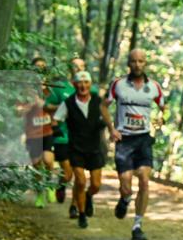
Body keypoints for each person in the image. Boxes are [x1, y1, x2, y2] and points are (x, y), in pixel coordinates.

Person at [107, 49, 165, 240]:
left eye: (141, 61)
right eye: (134, 61)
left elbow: (163, 108)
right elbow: (103, 106)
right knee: (126, 185)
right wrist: (111, 129)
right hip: (124, 139)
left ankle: (137, 225)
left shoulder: (154, 87)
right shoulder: (118, 85)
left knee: (144, 180)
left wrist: (161, 117)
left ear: (145, 64)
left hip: (143, 139)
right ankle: (124, 199)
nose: (137, 65)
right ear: (129, 64)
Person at [51, 71, 117, 229]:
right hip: (76, 148)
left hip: (94, 148)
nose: (83, 86)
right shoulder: (68, 103)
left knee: (95, 185)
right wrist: (56, 131)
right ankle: (81, 214)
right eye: (79, 83)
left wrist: (111, 129)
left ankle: (88, 197)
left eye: (86, 82)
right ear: (74, 85)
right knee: (80, 181)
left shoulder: (97, 101)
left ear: (90, 84)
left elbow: (106, 115)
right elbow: (55, 120)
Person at [45, 57, 98, 217]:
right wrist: (64, 106)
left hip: (82, 140)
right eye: (75, 66)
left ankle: (75, 205)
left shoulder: (91, 90)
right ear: (70, 69)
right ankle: (61, 184)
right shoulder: (60, 88)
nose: (78, 69)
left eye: (82, 66)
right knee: (68, 175)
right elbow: (46, 106)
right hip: (63, 137)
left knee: (79, 176)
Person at [19, 57, 56, 208]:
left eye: (42, 67)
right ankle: (40, 192)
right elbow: (18, 112)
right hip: (32, 134)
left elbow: (58, 106)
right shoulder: (25, 91)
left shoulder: (50, 89)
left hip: (47, 131)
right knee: (36, 165)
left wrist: (44, 104)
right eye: (36, 68)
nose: (39, 70)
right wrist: (30, 105)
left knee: (47, 161)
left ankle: (50, 186)